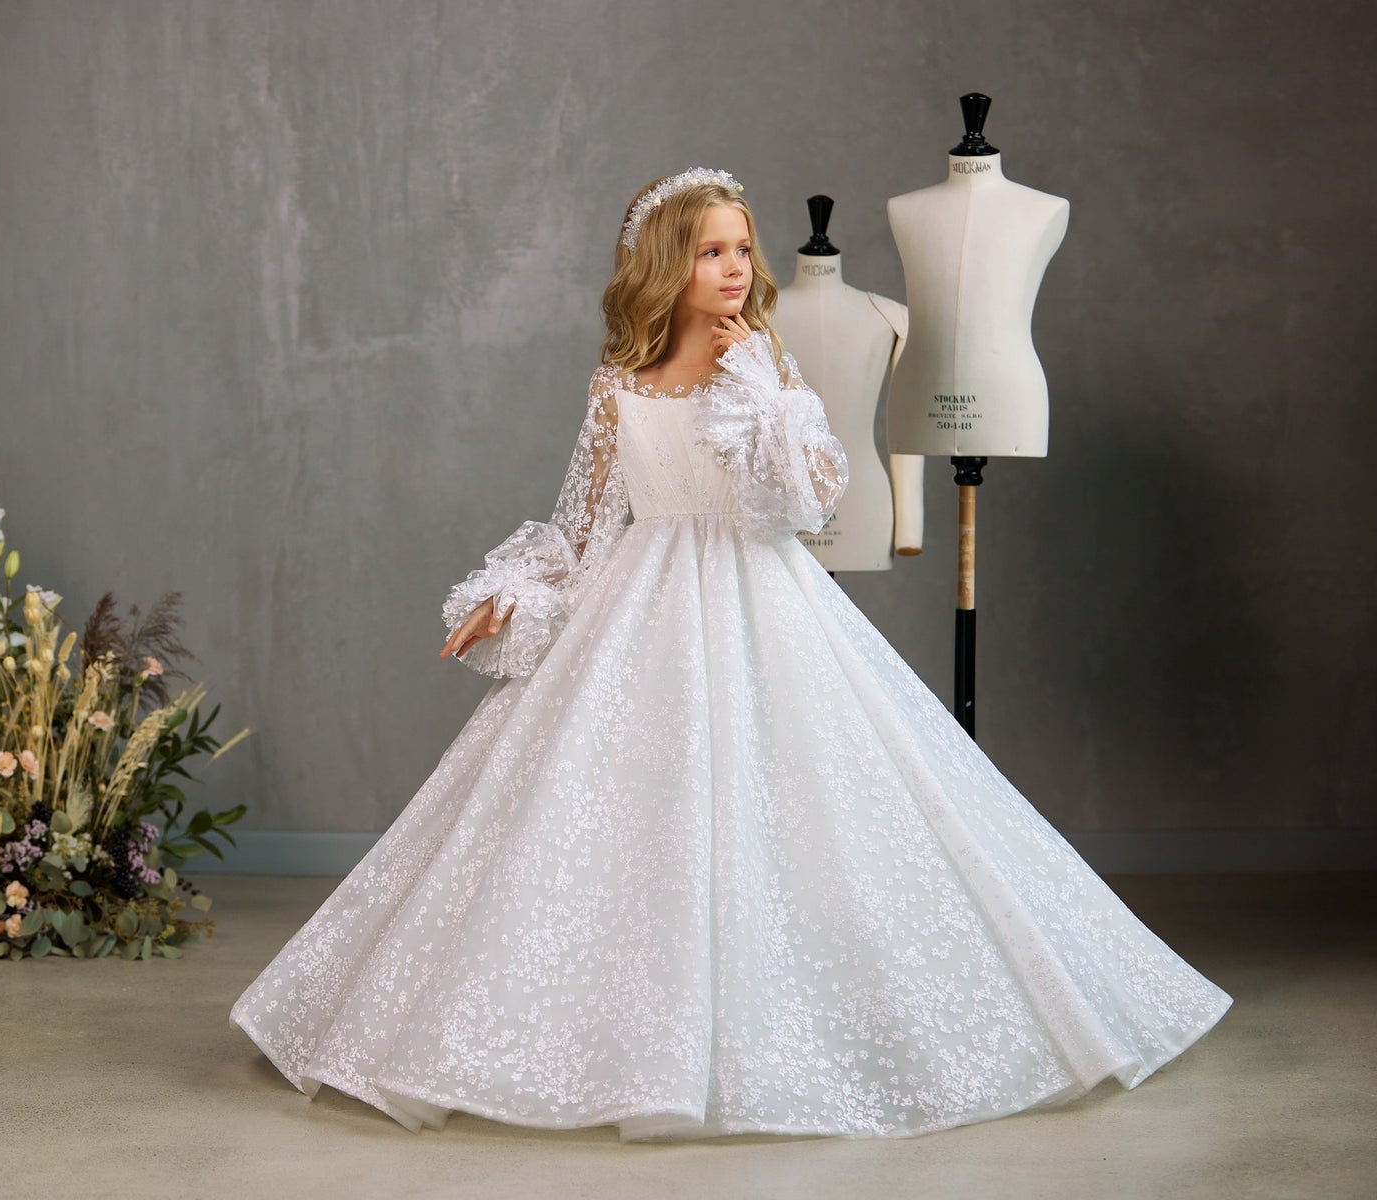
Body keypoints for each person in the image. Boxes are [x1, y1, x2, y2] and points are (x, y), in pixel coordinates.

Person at [228, 168, 1232, 1142]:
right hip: (641, 605)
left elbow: (807, 500)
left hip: (765, 599)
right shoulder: (617, 386)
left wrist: (761, 384)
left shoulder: (764, 369)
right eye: (711, 251)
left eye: (743, 248)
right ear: (666, 266)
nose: (736, 267)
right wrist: (513, 594)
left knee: (812, 801)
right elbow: (582, 529)